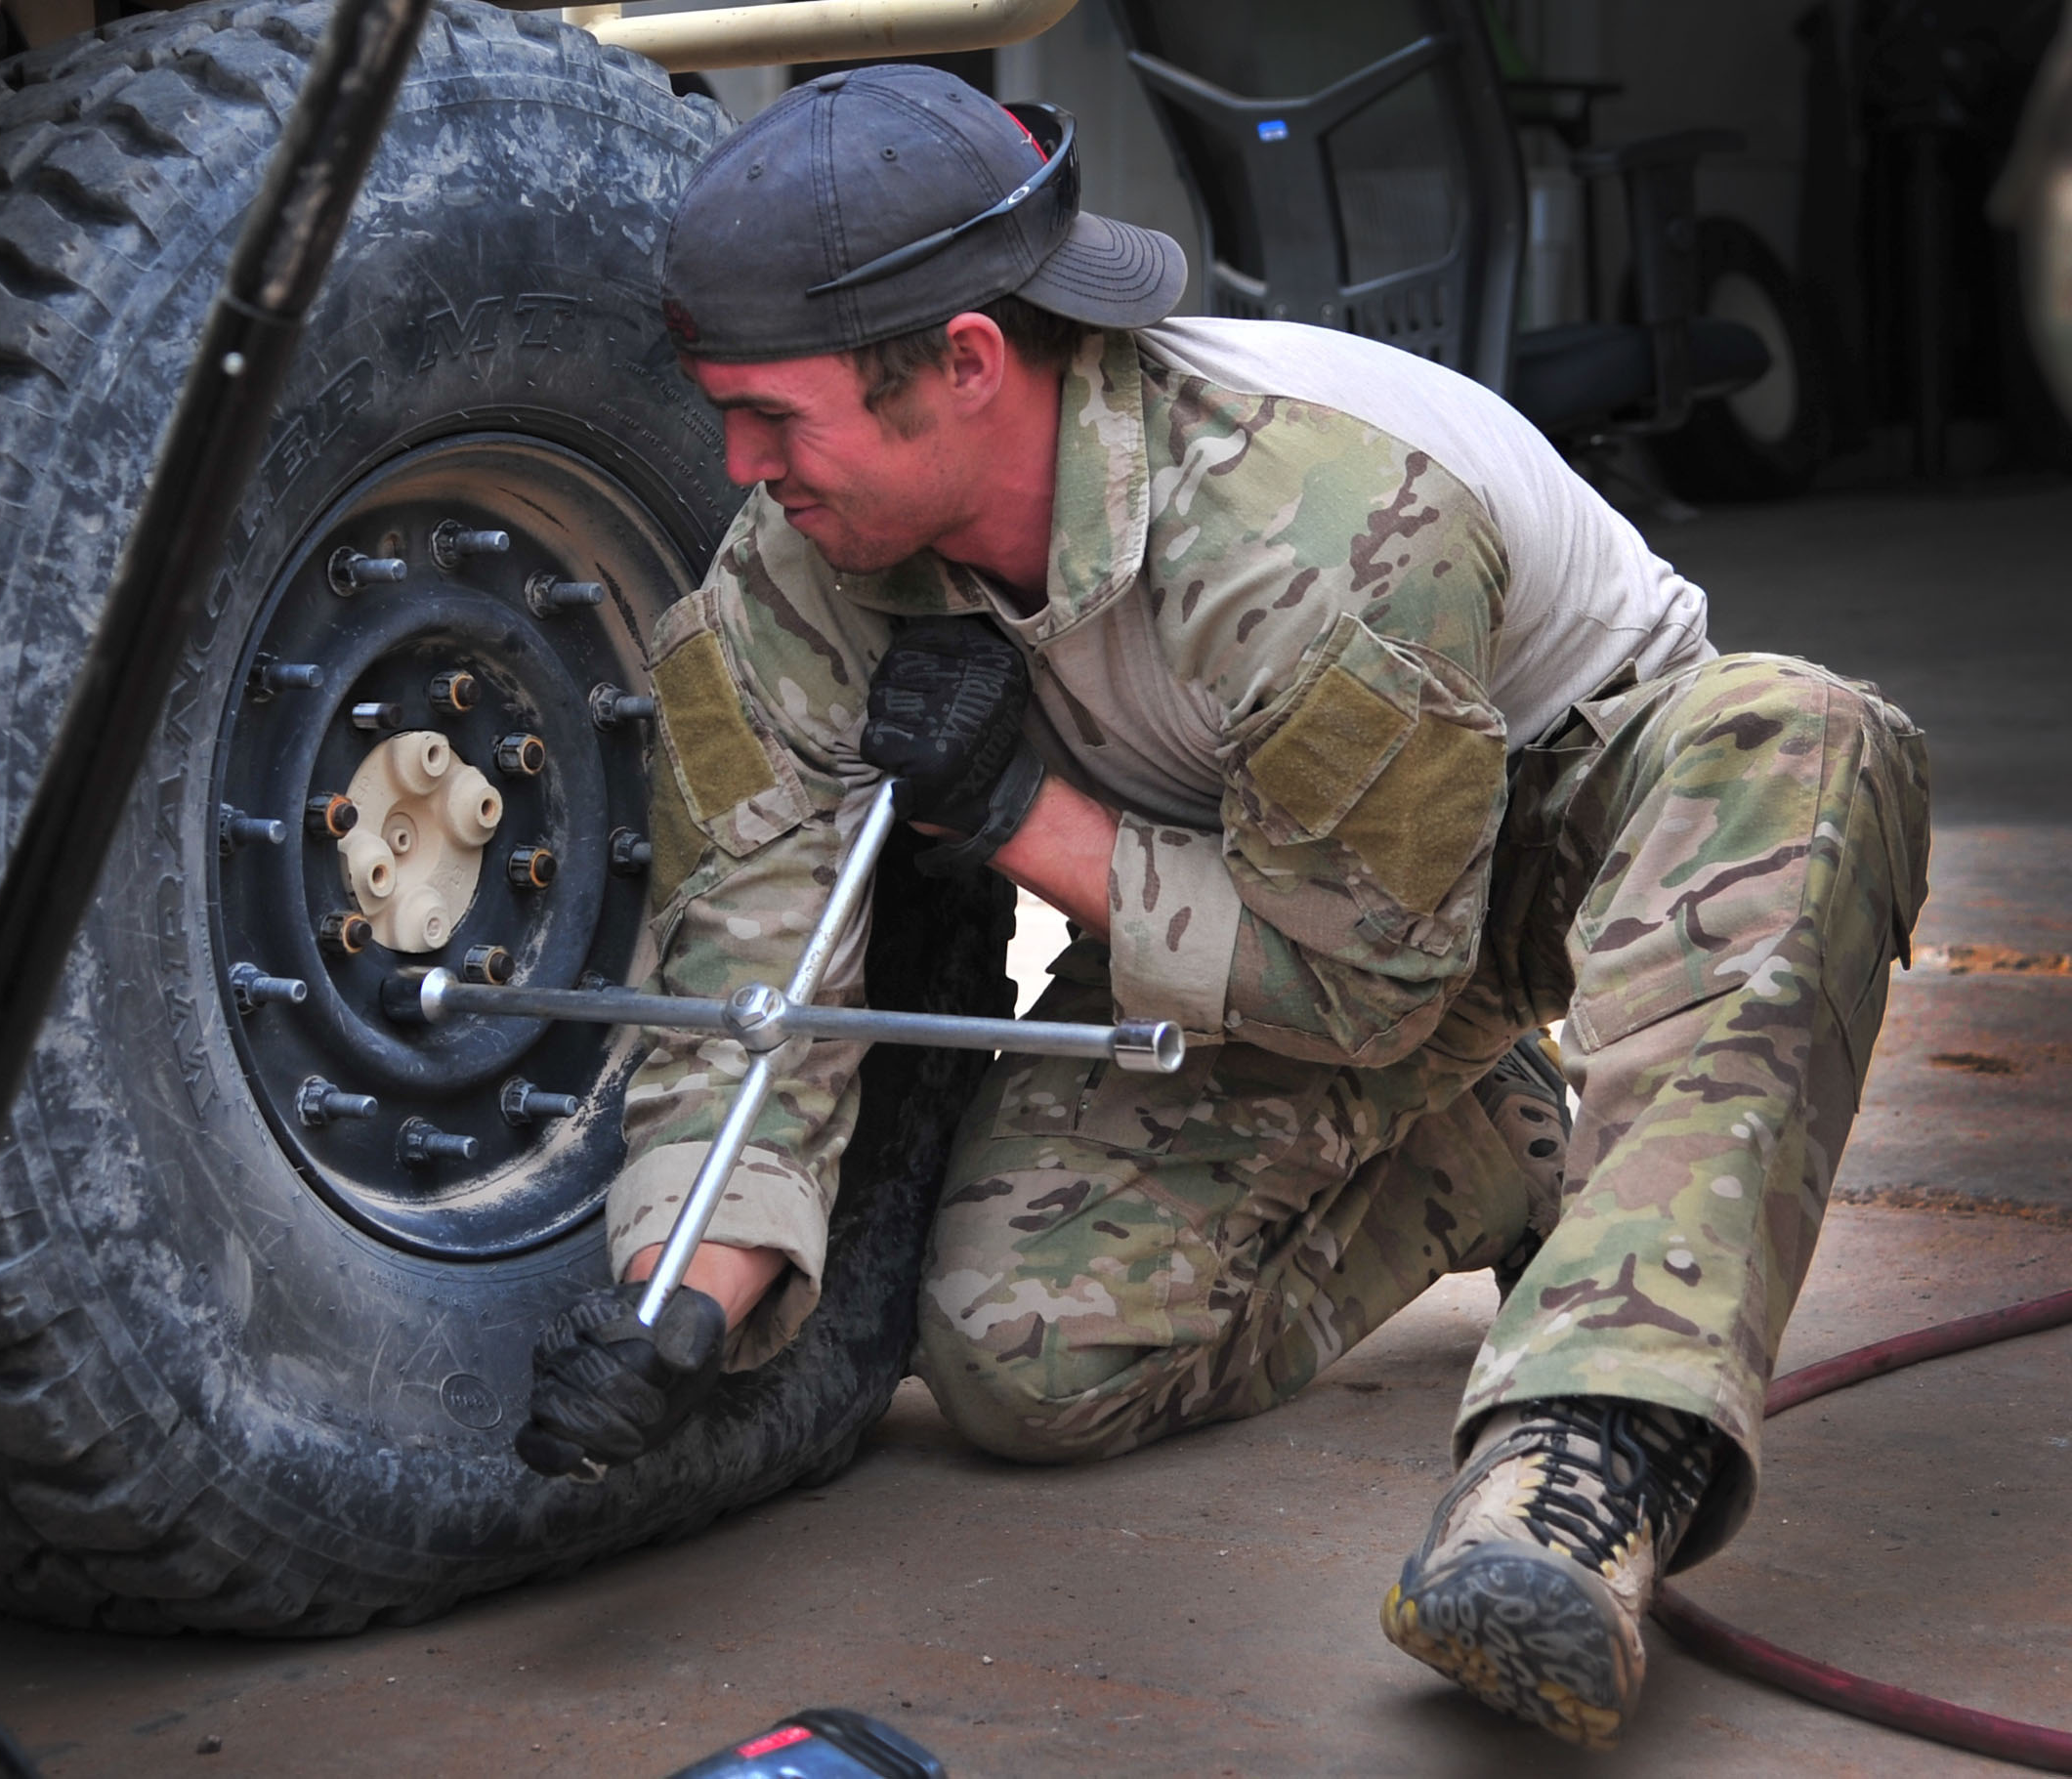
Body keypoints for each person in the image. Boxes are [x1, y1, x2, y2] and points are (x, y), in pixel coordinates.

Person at [513, 65, 1930, 1750]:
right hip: (1265, 887)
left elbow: (1376, 985)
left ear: (964, 363)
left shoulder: (1309, 526)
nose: (740, 466)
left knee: (1803, 741)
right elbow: (756, 939)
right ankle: (1503, 1145)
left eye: (775, 414)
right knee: (1021, 1360)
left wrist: (1016, 813)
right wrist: (683, 1292)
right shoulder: (800, 568)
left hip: (1558, 830)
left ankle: (1585, 1456)